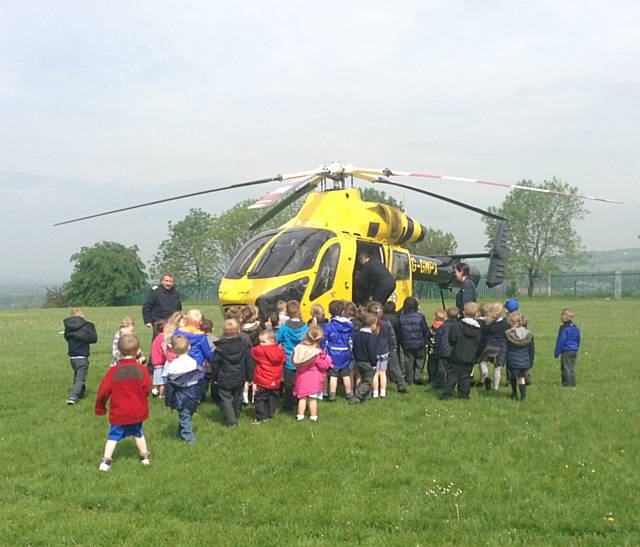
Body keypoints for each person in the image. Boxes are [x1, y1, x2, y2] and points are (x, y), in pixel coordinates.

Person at [95, 334, 151, 471]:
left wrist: (100, 407)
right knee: (138, 432)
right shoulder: (142, 370)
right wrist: (142, 399)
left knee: (113, 436)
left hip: (119, 411)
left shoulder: (114, 371)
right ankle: (145, 457)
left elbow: (103, 391)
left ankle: (106, 461)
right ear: (138, 351)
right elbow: (148, 387)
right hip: (138, 410)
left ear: (118, 351)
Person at [211, 319, 254, 427]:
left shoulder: (220, 348)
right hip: (239, 376)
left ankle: (231, 421)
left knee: (226, 398)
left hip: (225, 377)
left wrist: (214, 377)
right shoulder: (244, 345)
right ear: (238, 330)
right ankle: (236, 413)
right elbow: (249, 362)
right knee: (236, 395)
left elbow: (215, 364)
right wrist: (250, 377)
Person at [441, 302, 482, 400]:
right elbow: (479, 343)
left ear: (463, 312)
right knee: (466, 376)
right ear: (476, 314)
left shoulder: (456, 326)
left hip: (456, 354)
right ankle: (464, 394)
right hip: (470, 357)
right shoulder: (478, 330)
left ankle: (448, 394)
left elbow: (452, 340)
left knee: (451, 375)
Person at [164, 334, 200, 443]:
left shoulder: (173, 366)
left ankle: (190, 439)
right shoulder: (193, 362)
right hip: (193, 394)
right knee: (186, 415)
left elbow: (170, 383)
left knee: (185, 417)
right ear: (189, 347)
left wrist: (169, 401)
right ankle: (179, 433)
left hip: (181, 396)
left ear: (173, 350)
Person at [293, 326, 333, 421]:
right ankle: (313, 417)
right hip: (314, 380)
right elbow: (322, 365)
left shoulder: (300, 348)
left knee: (302, 398)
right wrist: (328, 360)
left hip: (301, 378)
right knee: (312, 399)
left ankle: (300, 416)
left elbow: (294, 360)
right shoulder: (317, 353)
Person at [276, 300, 308, 411]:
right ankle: (300, 400)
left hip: (289, 359)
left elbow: (277, 339)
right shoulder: (305, 327)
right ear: (299, 310)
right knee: (300, 381)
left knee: (289, 384)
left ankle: (288, 403)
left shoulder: (284, 327)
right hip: (302, 359)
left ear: (287, 312)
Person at [63, 308, 98, 405]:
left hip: (72, 357)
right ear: (82, 316)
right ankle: (73, 397)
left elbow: (67, 337)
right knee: (80, 378)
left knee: (77, 375)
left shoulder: (69, 327)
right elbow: (94, 339)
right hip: (82, 356)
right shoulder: (87, 326)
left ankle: (81, 394)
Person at [251, 330, 286, 422]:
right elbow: (283, 360)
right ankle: (270, 413)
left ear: (272, 341)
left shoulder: (259, 350)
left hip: (263, 380)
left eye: (263, 342)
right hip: (275, 379)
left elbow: (253, 351)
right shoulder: (280, 351)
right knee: (272, 397)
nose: (261, 344)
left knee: (260, 398)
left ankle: (261, 416)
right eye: (260, 342)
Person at [322, 300, 354, 401]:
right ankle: (349, 393)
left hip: (333, 353)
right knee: (346, 375)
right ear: (343, 311)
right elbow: (351, 339)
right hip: (345, 351)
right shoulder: (349, 325)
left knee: (333, 376)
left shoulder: (328, 325)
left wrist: (324, 352)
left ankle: (332, 395)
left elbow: (324, 341)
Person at [398, 296, 430, 385]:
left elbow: (400, 331)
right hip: (420, 343)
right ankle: (418, 376)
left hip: (407, 344)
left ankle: (409, 379)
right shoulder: (420, 317)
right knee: (420, 360)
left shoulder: (401, 318)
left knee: (408, 361)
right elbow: (425, 329)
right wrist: (425, 340)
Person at [478, 303, 510, 391]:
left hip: (489, 345)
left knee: (482, 362)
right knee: (498, 367)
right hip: (501, 346)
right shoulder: (506, 323)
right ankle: (495, 387)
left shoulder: (487, 323)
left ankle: (485, 375)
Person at [349, 312, 379, 404]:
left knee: (363, 378)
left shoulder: (357, 335)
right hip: (367, 362)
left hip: (358, 361)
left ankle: (367, 397)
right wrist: (374, 363)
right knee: (368, 381)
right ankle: (357, 396)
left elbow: (354, 348)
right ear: (372, 325)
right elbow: (372, 351)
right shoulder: (371, 337)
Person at [142, 273, 182, 338]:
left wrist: (179, 319)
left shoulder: (175, 292)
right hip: (159, 322)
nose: (168, 284)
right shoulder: (155, 292)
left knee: (172, 342)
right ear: (162, 281)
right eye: (166, 281)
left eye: (170, 281)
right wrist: (147, 321)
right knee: (158, 341)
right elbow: (147, 306)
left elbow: (179, 308)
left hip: (172, 322)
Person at [506, 312, 535, 400]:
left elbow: (505, 349)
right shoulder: (528, 335)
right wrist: (530, 361)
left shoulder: (508, 335)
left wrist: (502, 359)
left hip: (512, 360)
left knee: (512, 377)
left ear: (510, 322)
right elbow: (532, 350)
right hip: (524, 361)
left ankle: (514, 393)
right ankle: (523, 396)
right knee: (521, 377)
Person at [554, 308, 581, 387]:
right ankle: (573, 382)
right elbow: (578, 339)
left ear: (565, 317)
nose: (561, 317)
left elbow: (561, 340)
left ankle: (567, 383)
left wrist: (557, 352)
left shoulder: (563, 328)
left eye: (562, 315)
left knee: (565, 367)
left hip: (566, 350)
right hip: (574, 350)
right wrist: (576, 347)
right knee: (572, 366)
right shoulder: (576, 327)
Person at [435, 307, 459, 394]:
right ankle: (452, 383)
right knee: (452, 369)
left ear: (447, 316)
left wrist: (437, 347)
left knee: (442, 368)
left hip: (444, 350)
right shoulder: (459, 326)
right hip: (454, 351)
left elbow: (438, 338)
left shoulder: (443, 326)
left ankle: (440, 383)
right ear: (458, 315)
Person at [427, 308, 446, 387]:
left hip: (432, 349)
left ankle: (431, 378)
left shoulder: (431, 327)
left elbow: (427, 336)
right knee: (440, 365)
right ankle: (439, 379)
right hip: (441, 349)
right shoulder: (444, 327)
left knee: (431, 364)